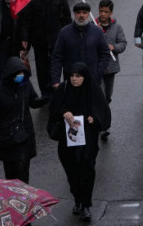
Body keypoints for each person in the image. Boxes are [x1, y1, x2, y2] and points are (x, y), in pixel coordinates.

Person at [47, 63, 111, 222]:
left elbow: (103, 112)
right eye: (72, 76)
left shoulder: (92, 90)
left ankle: (86, 205)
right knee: (72, 172)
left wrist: (93, 119)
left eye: (78, 76)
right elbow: (54, 108)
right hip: (67, 140)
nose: (74, 79)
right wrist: (64, 112)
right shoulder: (64, 89)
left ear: (84, 77)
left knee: (87, 170)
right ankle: (77, 199)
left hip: (87, 140)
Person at [0, 57, 47, 183]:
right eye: (18, 73)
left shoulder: (25, 85)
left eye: (22, 73)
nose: (21, 76)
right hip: (8, 138)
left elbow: (33, 101)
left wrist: (45, 99)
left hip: (24, 134)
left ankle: (23, 198)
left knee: (23, 170)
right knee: (10, 173)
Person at [19, 0, 70, 98]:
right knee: (41, 68)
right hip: (39, 40)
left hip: (56, 39)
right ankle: (45, 94)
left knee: (55, 66)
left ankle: (55, 91)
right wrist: (25, 38)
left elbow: (66, 18)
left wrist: (66, 36)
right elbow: (26, 20)